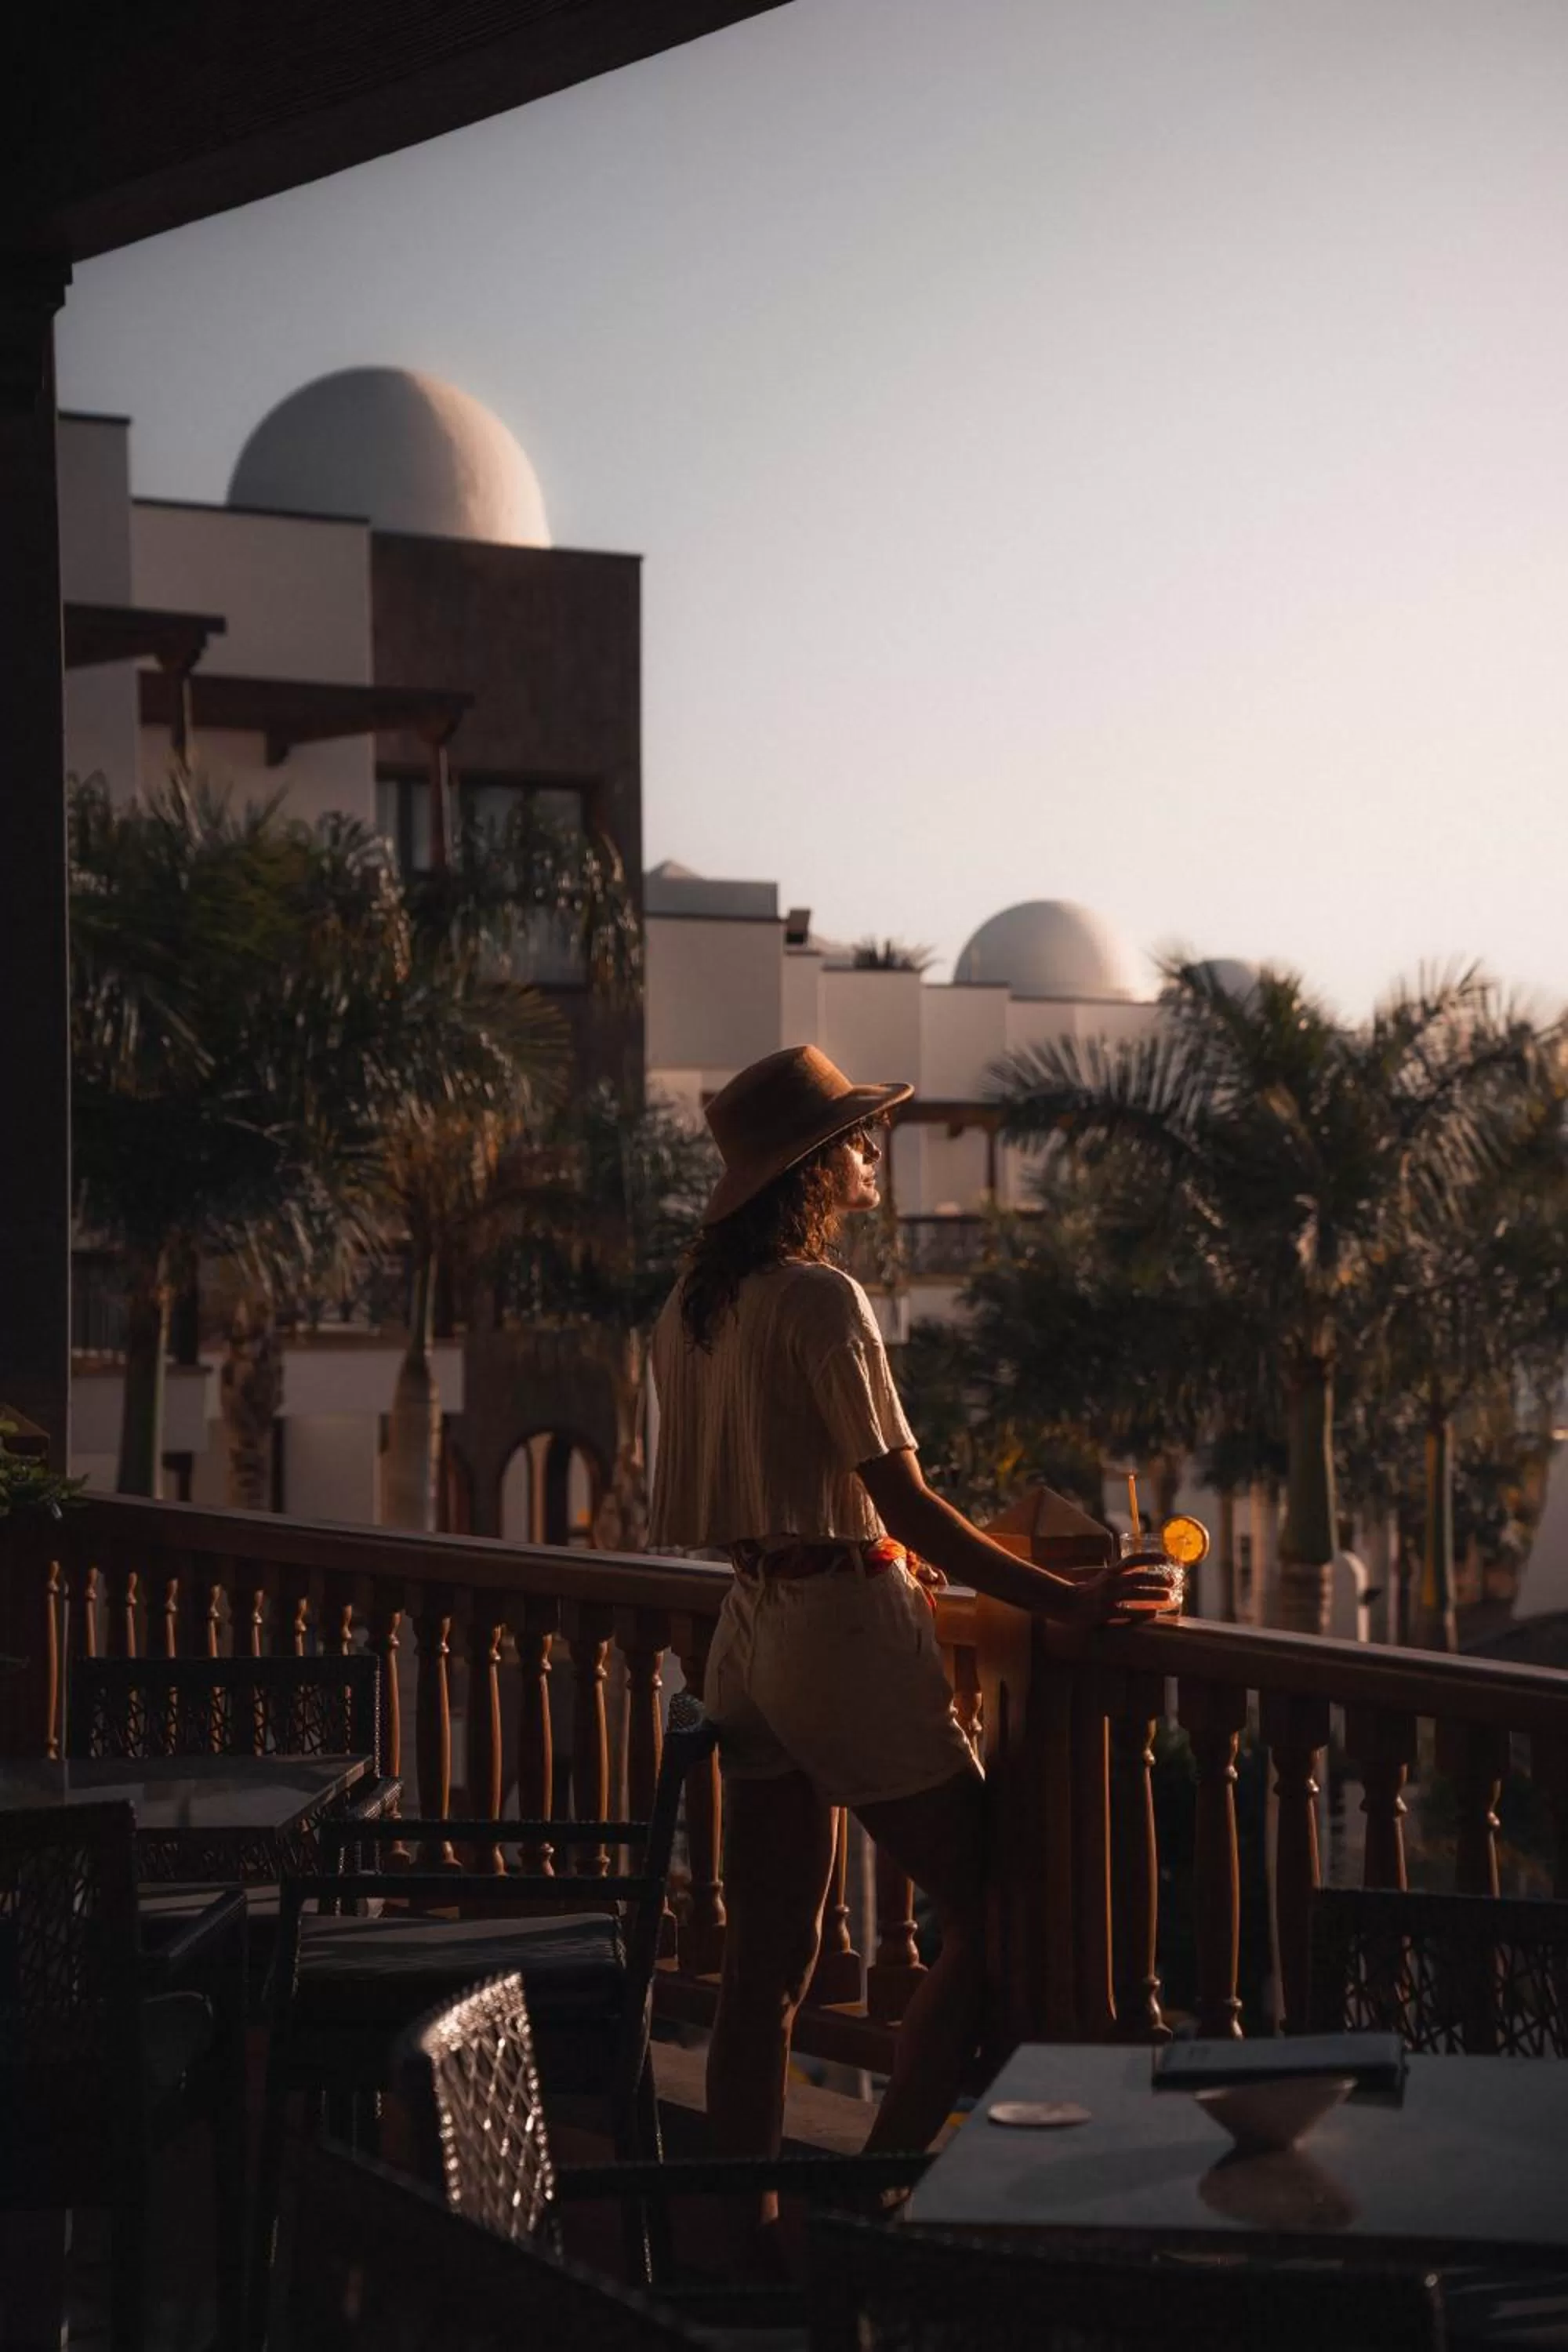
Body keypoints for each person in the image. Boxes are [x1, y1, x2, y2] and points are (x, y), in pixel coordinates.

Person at [648, 1044, 1169, 2202]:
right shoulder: (821, 1299)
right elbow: (908, 1505)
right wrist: (1069, 1599)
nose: (874, 1150)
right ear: (815, 1167)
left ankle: (751, 2230)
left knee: (765, 1972)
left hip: (748, 1633)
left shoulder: (693, 1307)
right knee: (1003, 1914)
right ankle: (875, 2200)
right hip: (838, 1629)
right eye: (858, 1137)